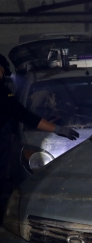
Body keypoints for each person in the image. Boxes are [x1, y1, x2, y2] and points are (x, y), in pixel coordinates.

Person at [0, 54, 79, 196]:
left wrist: (56, 128)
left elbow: (22, 114)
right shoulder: (2, 95)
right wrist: (57, 128)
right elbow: (24, 115)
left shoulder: (3, 94)